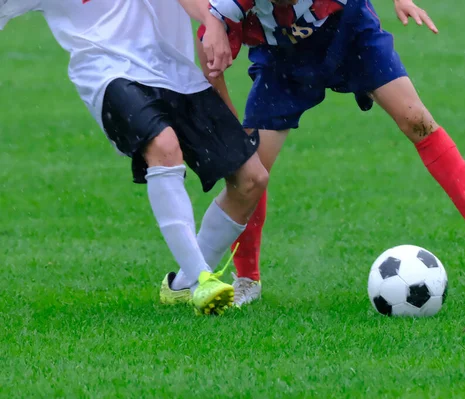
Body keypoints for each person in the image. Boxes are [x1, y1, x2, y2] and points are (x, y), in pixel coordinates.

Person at [197, 0, 465, 306]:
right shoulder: (227, 7)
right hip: (283, 63)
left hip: (350, 36)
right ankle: (247, 278)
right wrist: (227, 118)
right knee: (250, 170)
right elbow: (210, 57)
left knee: (417, 121)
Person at [0, 0, 269, 315]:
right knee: (163, 146)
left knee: (251, 179)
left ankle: (183, 284)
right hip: (107, 72)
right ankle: (201, 281)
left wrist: (209, 21)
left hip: (174, 73)